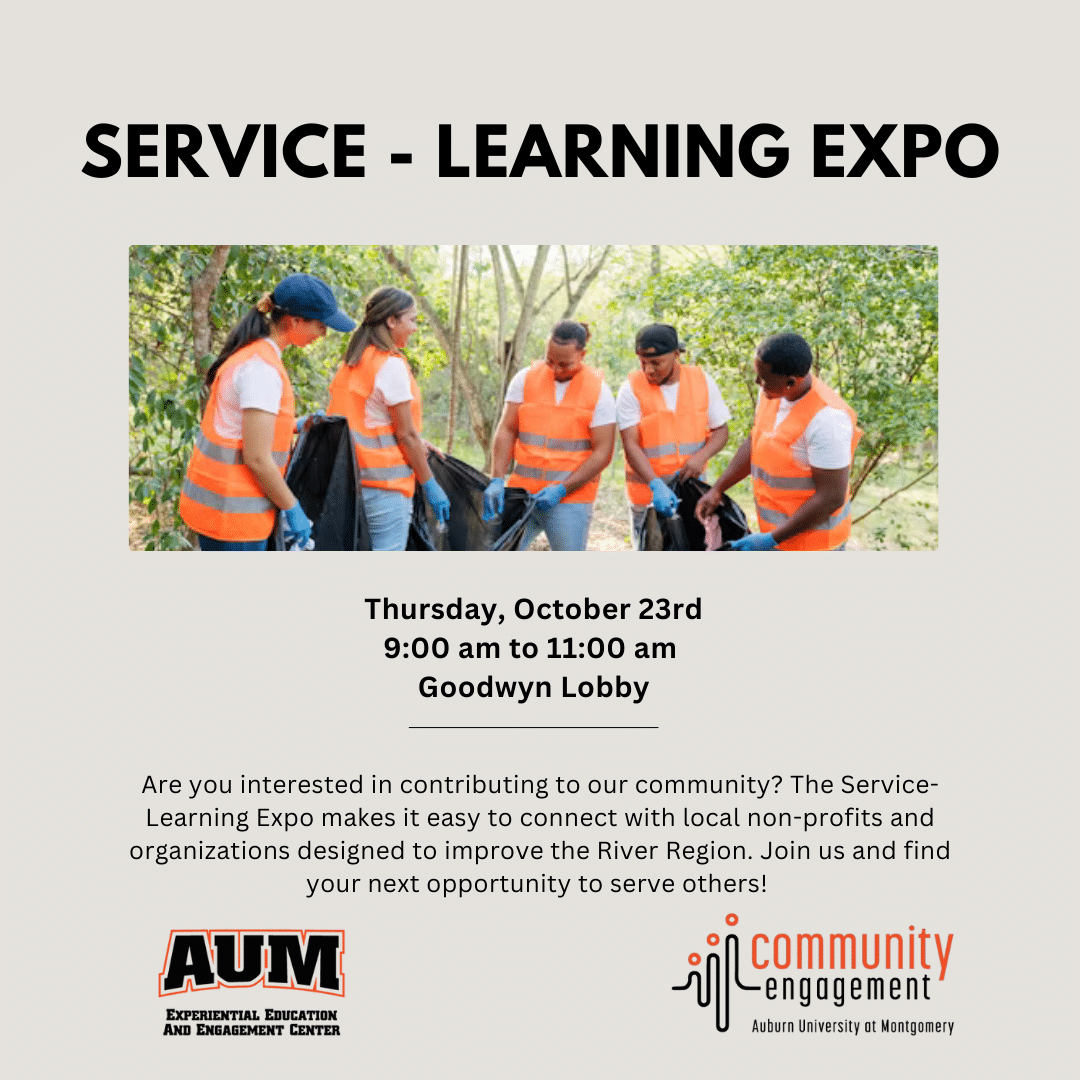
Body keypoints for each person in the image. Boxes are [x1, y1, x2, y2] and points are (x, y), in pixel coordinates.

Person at [179, 273, 356, 551]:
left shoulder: (252, 354)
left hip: (219, 511)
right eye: (320, 325)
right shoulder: (261, 369)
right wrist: (292, 507)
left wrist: (295, 424)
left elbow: (240, 425)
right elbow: (257, 457)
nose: (323, 334)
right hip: (234, 518)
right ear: (294, 321)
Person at [696, 332, 862, 550]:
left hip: (813, 546)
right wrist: (718, 488)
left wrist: (772, 539)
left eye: (763, 379)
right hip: (777, 537)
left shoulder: (827, 420)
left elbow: (831, 497)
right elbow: (756, 441)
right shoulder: (773, 393)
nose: (757, 382)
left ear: (791, 382)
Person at [326, 287, 450, 550]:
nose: (415, 328)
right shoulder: (390, 365)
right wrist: (430, 484)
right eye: (412, 320)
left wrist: (419, 442)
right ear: (391, 320)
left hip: (348, 483)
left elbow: (369, 422)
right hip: (386, 488)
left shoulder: (350, 364)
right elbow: (405, 435)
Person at [483, 321, 615, 551]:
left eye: (564, 364)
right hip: (521, 494)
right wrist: (496, 478)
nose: (555, 370)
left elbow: (603, 452)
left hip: (569, 499)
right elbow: (507, 429)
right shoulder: (524, 379)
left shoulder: (599, 391)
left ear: (582, 355)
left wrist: (563, 488)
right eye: (549, 361)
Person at [617, 323, 731, 547]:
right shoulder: (630, 388)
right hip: (648, 497)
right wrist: (655, 484)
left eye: (656, 363)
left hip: (693, 494)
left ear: (676, 354)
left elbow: (721, 431)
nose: (648, 370)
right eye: (642, 362)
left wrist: (701, 457)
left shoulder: (701, 381)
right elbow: (630, 444)